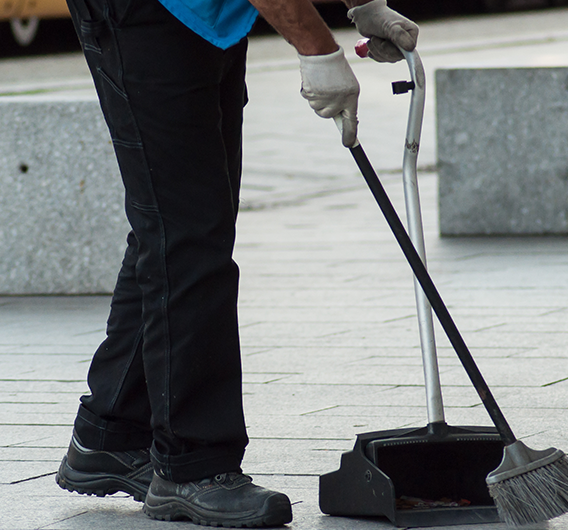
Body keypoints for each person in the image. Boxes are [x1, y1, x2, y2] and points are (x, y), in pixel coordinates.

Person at [54, 0, 418, 526]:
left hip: (206, 17)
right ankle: (192, 466)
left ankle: (112, 434)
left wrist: (362, 4)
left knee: (184, 224)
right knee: (188, 234)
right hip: (144, 16)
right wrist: (317, 49)